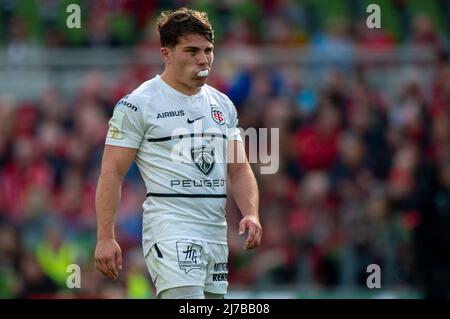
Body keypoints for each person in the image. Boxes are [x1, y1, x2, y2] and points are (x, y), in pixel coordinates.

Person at [94, 7, 262, 299]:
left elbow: (239, 168)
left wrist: (251, 213)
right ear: (166, 53)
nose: (203, 59)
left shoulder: (222, 105)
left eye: (208, 50)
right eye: (192, 50)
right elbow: (112, 172)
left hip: (215, 232)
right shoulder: (137, 104)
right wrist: (105, 237)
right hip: (170, 229)